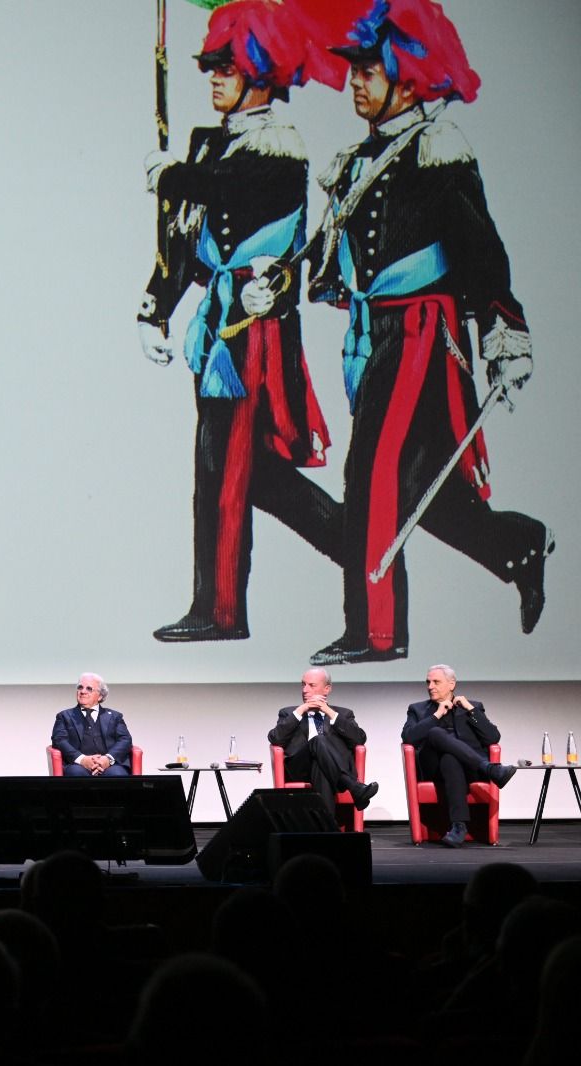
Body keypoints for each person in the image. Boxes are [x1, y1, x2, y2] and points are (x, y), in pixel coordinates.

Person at [303, 0, 551, 665]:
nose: (355, 83)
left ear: (410, 80)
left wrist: (504, 329)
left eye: (369, 71)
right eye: (353, 70)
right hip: (377, 334)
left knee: (373, 473)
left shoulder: (438, 150)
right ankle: (519, 545)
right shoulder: (358, 160)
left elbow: (481, 249)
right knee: (428, 491)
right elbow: (339, 254)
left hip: (421, 334)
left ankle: (376, 632)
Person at [139, 0, 346, 644]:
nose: (214, 79)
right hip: (218, 328)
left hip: (254, 332)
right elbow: (184, 241)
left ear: (261, 75)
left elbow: (227, 191)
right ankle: (358, 545)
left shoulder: (278, 146)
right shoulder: (211, 144)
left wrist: (173, 176)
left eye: (227, 68)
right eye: (212, 68)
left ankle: (221, 611)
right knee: (235, 469)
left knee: (226, 468)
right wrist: (155, 307)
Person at [402, 664, 515, 847]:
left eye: (436, 682)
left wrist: (470, 709)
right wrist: (436, 715)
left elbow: (492, 737)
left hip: (468, 769)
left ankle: (458, 827)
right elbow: (409, 737)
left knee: (450, 759)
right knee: (435, 733)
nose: (430, 686)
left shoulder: (473, 707)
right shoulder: (418, 709)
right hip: (434, 768)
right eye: (428, 682)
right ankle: (489, 768)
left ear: (452, 684)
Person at [267, 666, 378, 820]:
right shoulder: (289, 713)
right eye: (303, 685)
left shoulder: (343, 714)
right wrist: (302, 709)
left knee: (321, 766)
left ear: (327, 689)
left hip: (331, 769)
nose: (305, 690)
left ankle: (325, 827)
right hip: (300, 769)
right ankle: (353, 787)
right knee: (318, 740)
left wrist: (329, 712)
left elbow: (359, 739)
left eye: (311, 685)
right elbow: (276, 738)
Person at [51, 673, 134, 777]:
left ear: (100, 696)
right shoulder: (64, 716)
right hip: (77, 765)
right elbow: (59, 740)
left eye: (89, 688)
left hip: (110, 765)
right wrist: (82, 759)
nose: (82, 691)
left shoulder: (115, 716)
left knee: (117, 774)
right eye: (80, 687)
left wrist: (107, 759)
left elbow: (125, 740)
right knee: (76, 773)